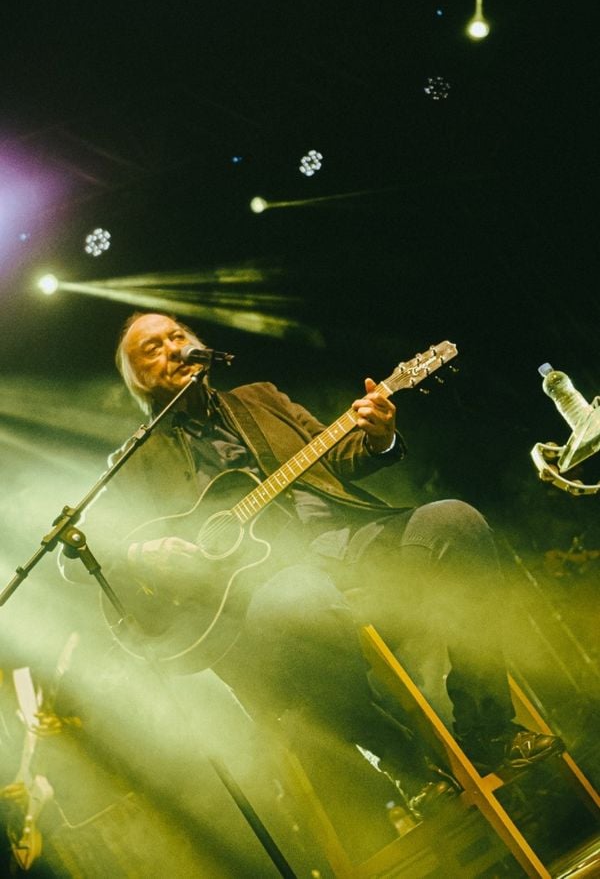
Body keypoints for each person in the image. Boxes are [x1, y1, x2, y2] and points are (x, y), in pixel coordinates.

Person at [63, 311, 564, 817]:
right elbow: (83, 549)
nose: (173, 347)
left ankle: (488, 728)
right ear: (135, 378)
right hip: (267, 591)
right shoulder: (136, 460)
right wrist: (141, 553)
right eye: (153, 347)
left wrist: (378, 435)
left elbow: (340, 454)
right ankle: (403, 756)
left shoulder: (260, 398)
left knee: (455, 521)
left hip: (348, 541)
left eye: (178, 336)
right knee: (295, 599)